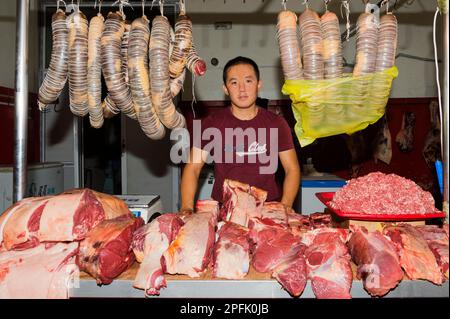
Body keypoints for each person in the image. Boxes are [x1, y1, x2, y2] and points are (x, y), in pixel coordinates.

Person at [180, 56, 300, 211]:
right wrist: (186, 208)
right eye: (234, 82)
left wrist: (286, 206)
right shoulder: (211, 123)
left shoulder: (276, 123)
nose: (242, 89)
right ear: (225, 88)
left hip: (266, 210)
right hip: (224, 210)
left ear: (259, 84)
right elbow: (193, 168)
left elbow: (292, 169)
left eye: (248, 81)